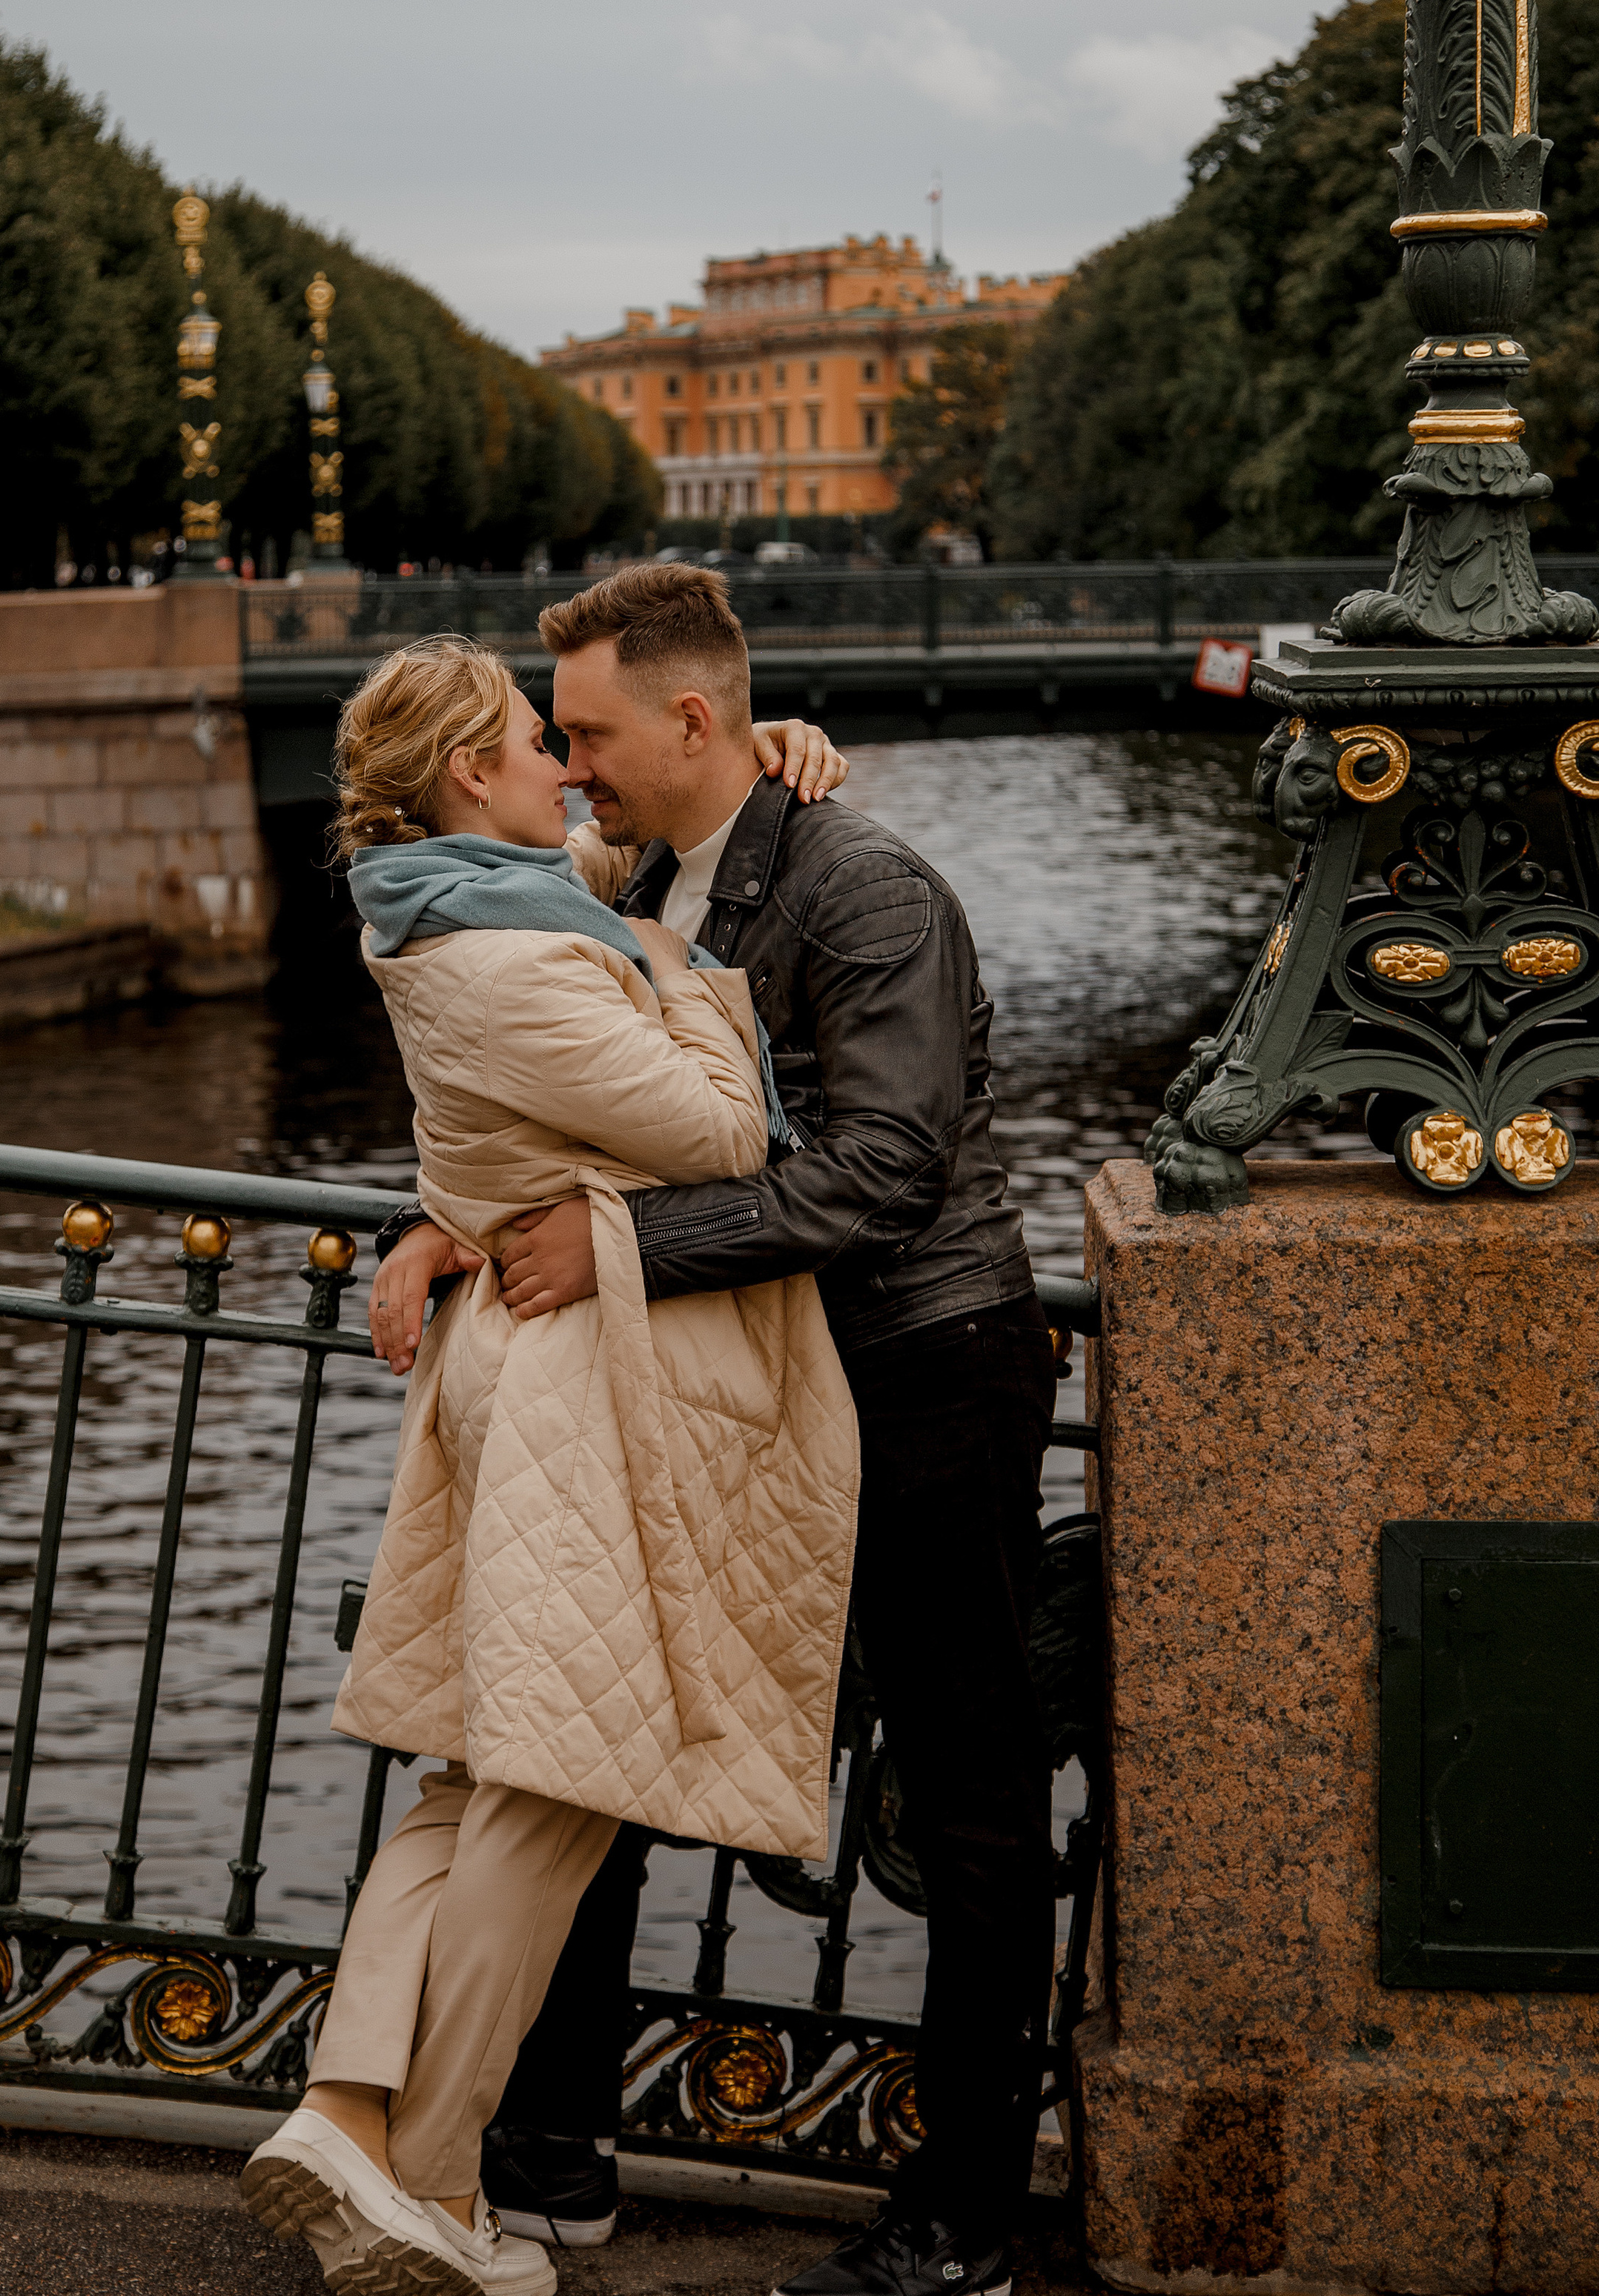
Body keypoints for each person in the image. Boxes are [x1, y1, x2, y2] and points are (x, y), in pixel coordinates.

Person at [372, 564, 1052, 2296]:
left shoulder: (868, 887)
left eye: (587, 731)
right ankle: (544, 2158)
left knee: (967, 1794)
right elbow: (551, 1076)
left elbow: (889, 1169)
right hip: (748, 1379)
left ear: (690, 718)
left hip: (919, 1369)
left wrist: (614, 1253)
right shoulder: (645, 871)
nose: (569, 765)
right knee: (597, 1745)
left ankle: (965, 2210)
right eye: (553, 739)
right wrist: (450, 1218)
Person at [239, 634, 861, 2296]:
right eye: (536, 743)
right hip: (578, 1399)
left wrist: (752, 740)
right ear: (467, 776)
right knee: (550, 1788)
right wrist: (702, 990)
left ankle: (348, 2109)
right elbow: (726, 1133)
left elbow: (637, 841)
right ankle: (427, 2177)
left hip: (519, 1377)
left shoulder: (461, 893)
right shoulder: (515, 959)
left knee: (469, 1778)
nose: (567, 769)